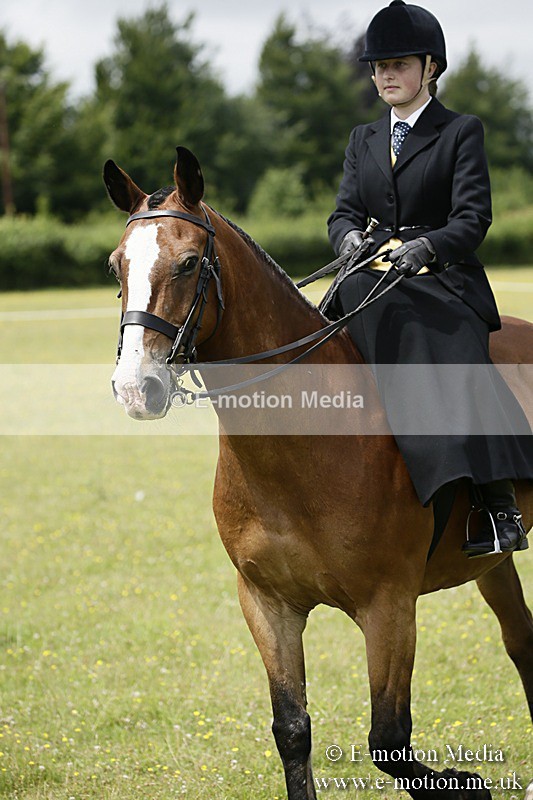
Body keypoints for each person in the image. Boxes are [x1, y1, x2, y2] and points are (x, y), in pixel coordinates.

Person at [321, 0, 532, 557]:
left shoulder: (461, 131)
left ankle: (496, 501)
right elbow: (343, 213)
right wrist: (346, 240)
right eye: (379, 66)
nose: (387, 75)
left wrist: (425, 247)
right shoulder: (361, 139)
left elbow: (472, 218)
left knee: (452, 353)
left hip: (443, 278)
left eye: (400, 64)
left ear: (431, 68)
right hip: (369, 274)